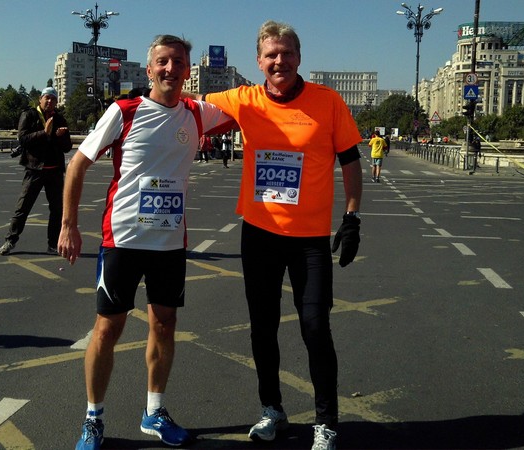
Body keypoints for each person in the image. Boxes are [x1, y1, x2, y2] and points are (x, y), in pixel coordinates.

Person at [188, 20, 363, 450]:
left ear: (299, 58)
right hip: (260, 234)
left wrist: (352, 217)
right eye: (271, 54)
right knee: (262, 328)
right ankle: (272, 409)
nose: (279, 60)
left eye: (286, 53)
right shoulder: (242, 99)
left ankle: (326, 422)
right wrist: (131, 106)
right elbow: (186, 107)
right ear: (259, 61)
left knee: (315, 326)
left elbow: (350, 160)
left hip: (310, 240)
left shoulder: (327, 101)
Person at [59, 35, 233, 450]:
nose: (171, 69)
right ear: (150, 68)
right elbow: (77, 165)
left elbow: (252, 109)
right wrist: (68, 225)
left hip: (169, 244)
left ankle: (154, 411)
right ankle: (93, 418)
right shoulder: (124, 111)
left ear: (188, 71)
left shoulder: (198, 113)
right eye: (163, 62)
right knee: (107, 328)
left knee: (164, 325)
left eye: (179, 62)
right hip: (122, 239)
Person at [0, 87, 72, 256]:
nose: (50, 101)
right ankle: (10, 240)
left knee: (57, 210)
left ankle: (53, 244)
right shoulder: (29, 115)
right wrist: (44, 132)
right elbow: (23, 139)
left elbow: (67, 147)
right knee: (23, 207)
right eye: (47, 98)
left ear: (56, 102)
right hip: (34, 169)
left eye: (53, 99)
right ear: (40, 99)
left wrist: (60, 137)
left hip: (54, 171)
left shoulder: (59, 118)